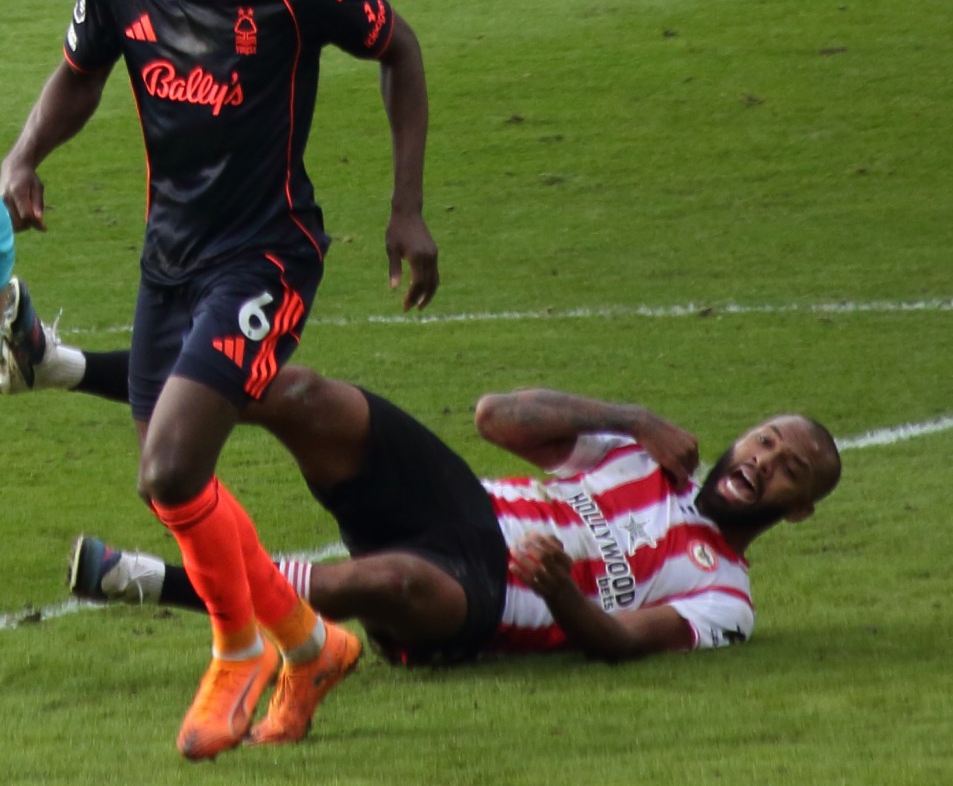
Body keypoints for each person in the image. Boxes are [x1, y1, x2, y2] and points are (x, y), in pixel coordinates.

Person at [0, 0, 439, 761]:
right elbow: (79, 73)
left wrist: (405, 209)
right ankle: (312, 646)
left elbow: (398, 46)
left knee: (168, 470)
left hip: (265, 256)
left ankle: (237, 648)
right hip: (169, 259)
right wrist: (23, 155)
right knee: (174, 486)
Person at [1, 284, 841, 664]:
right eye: (766, 441)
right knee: (303, 394)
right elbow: (496, 416)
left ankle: (148, 581)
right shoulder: (638, 457)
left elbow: (623, 643)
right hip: (459, 507)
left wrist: (560, 592)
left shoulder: (725, 596)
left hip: (485, 601)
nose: (763, 462)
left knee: (387, 582)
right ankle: (57, 365)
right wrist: (630, 416)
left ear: (797, 508)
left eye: (788, 469)